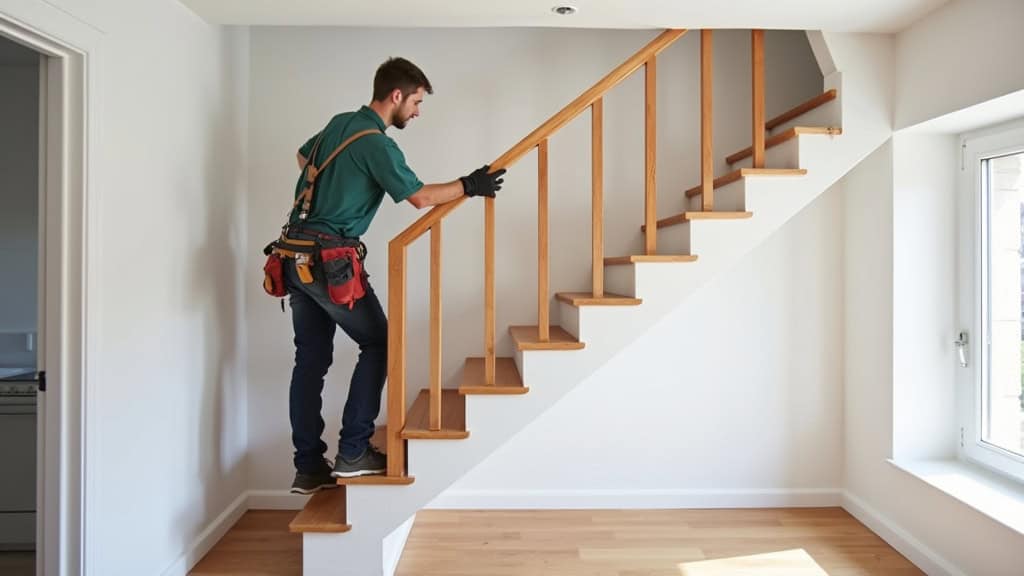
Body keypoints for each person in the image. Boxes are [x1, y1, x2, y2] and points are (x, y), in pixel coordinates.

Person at [284, 57, 506, 494]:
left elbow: (301, 155)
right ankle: (352, 452)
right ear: (397, 96)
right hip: (330, 262)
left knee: (310, 360)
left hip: (293, 256)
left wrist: (337, 189)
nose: (418, 112)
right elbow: (420, 198)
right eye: (417, 102)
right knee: (381, 343)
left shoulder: (340, 123)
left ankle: (309, 465)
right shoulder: (378, 145)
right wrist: (469, 185)